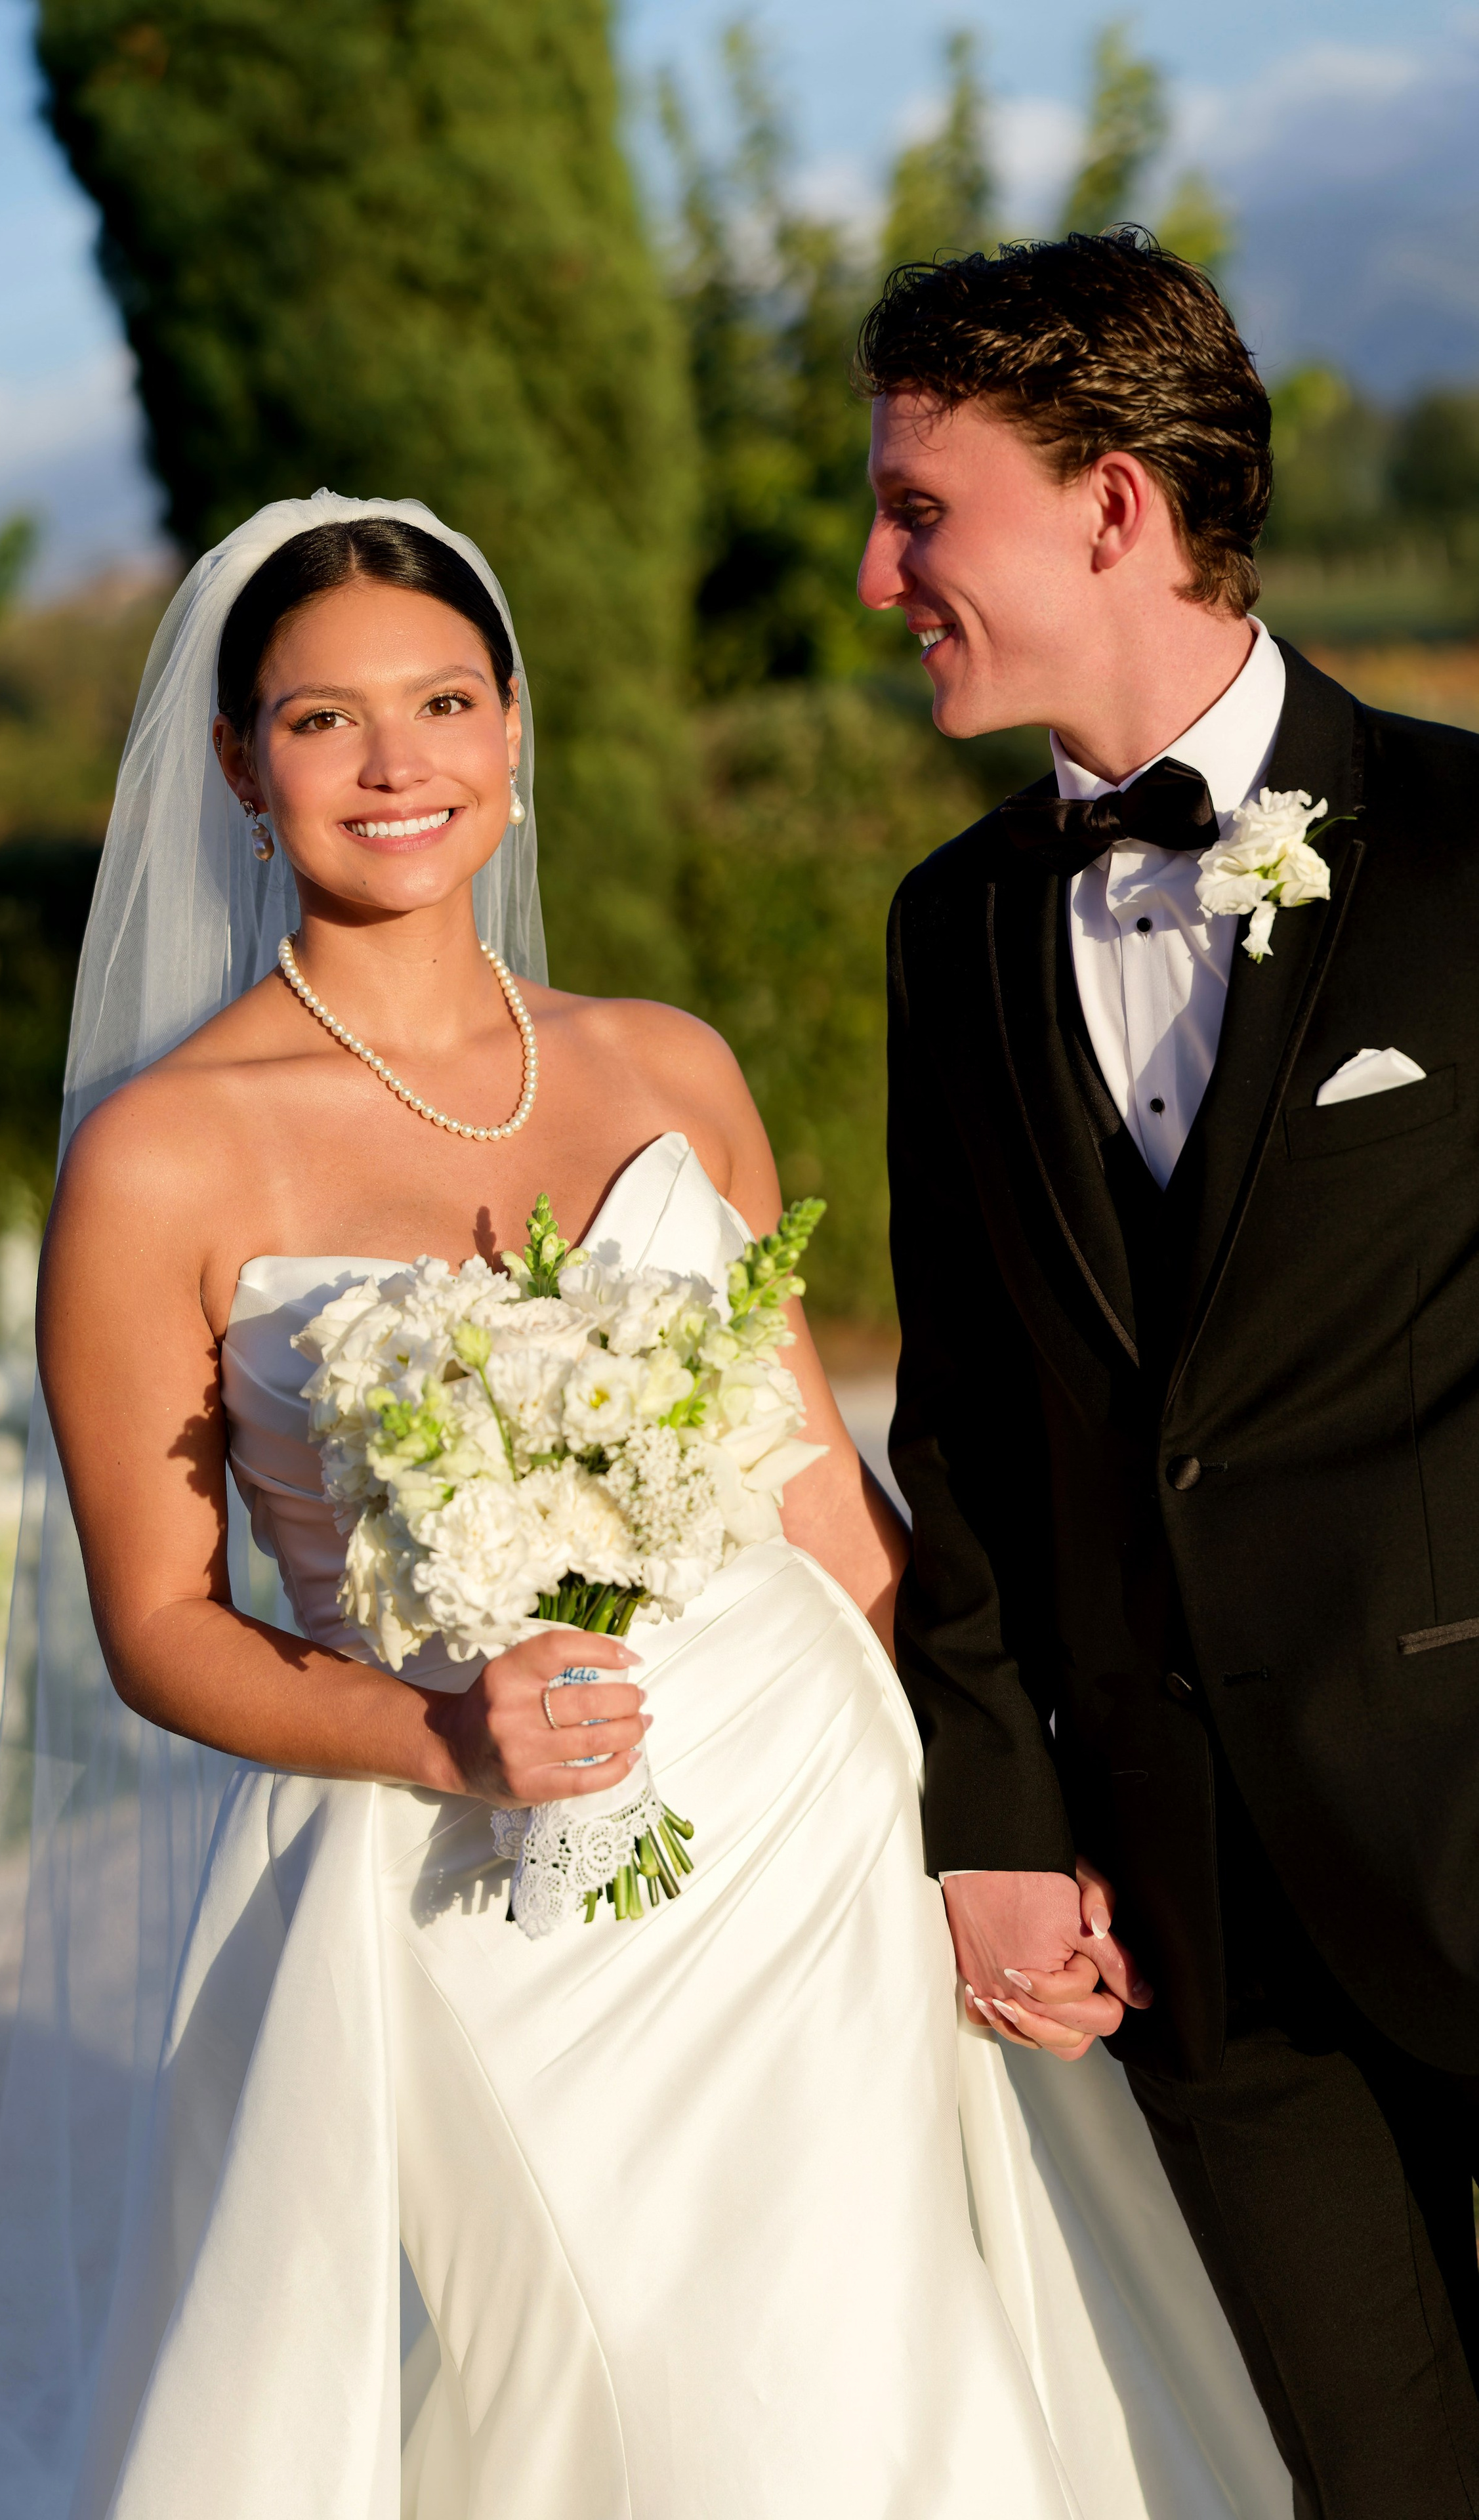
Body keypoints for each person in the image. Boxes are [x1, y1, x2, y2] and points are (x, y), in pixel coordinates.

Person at [0, 493, 1286, 2520]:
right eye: (322, 721)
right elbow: (162, 1626)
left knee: (870, 2366)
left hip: (809, 1828)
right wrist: (440, 1730)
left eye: (447, 700)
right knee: (614, 2386)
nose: (399, 766)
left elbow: (825, 1493)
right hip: (467, 1881)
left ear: (517, 731)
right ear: (234, 763)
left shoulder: (669, 1070)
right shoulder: (160, 1161)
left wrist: (1007, 1821)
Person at [864, 228, 1479, 2520]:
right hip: (1195, 1925)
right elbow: (969, 1424)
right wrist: (1005, 1825)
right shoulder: (953, 935)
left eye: (921, 507)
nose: (873, 570)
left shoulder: (1467, 846)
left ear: (1111, 503)